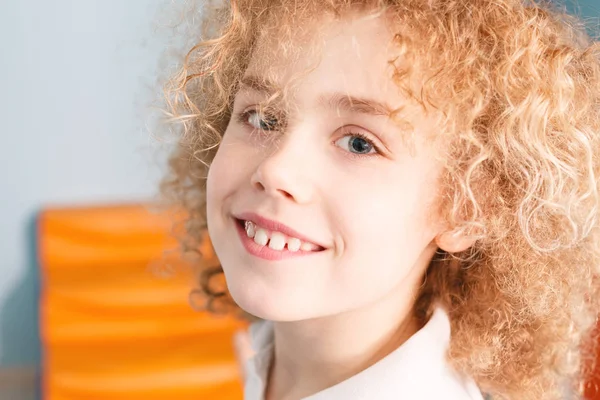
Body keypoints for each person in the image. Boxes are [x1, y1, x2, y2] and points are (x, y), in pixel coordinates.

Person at [160, 0, 600, 398]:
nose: (276, 170)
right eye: (263, 117)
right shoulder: (271, 352)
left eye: (358, 143)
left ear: (467, 207)